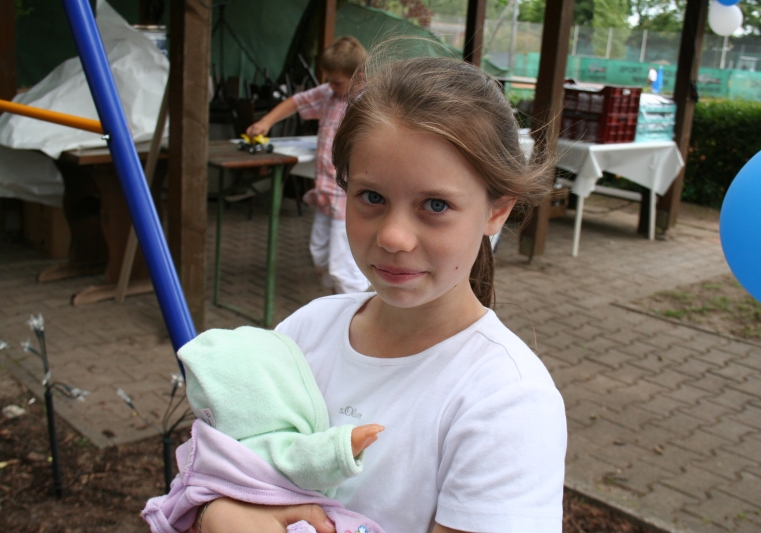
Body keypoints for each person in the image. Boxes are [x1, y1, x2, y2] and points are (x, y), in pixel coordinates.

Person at [198, 54, 567, 533]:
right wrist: (213, 511)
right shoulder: (305, 331)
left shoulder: (507, 400)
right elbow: (230, 463)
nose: (393, 237)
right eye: (371, 197)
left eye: (435, 204)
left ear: (497, 211)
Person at [141, 327, 385, 533]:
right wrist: (344, 445)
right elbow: (306, 459)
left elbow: (189, 484)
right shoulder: (273, 445)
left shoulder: (207, 444)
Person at [247, 36, 369, 295]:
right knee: (319, 254)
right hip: (325, 191)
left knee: (343, 267)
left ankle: (357, 309)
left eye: (337, 81)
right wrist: (266, 122)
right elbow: (297, 102)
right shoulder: (328, 94)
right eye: (328, 79)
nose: (330, 85)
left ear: (358, 76)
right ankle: (338, 302)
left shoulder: (368, 103)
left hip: (347, 197)